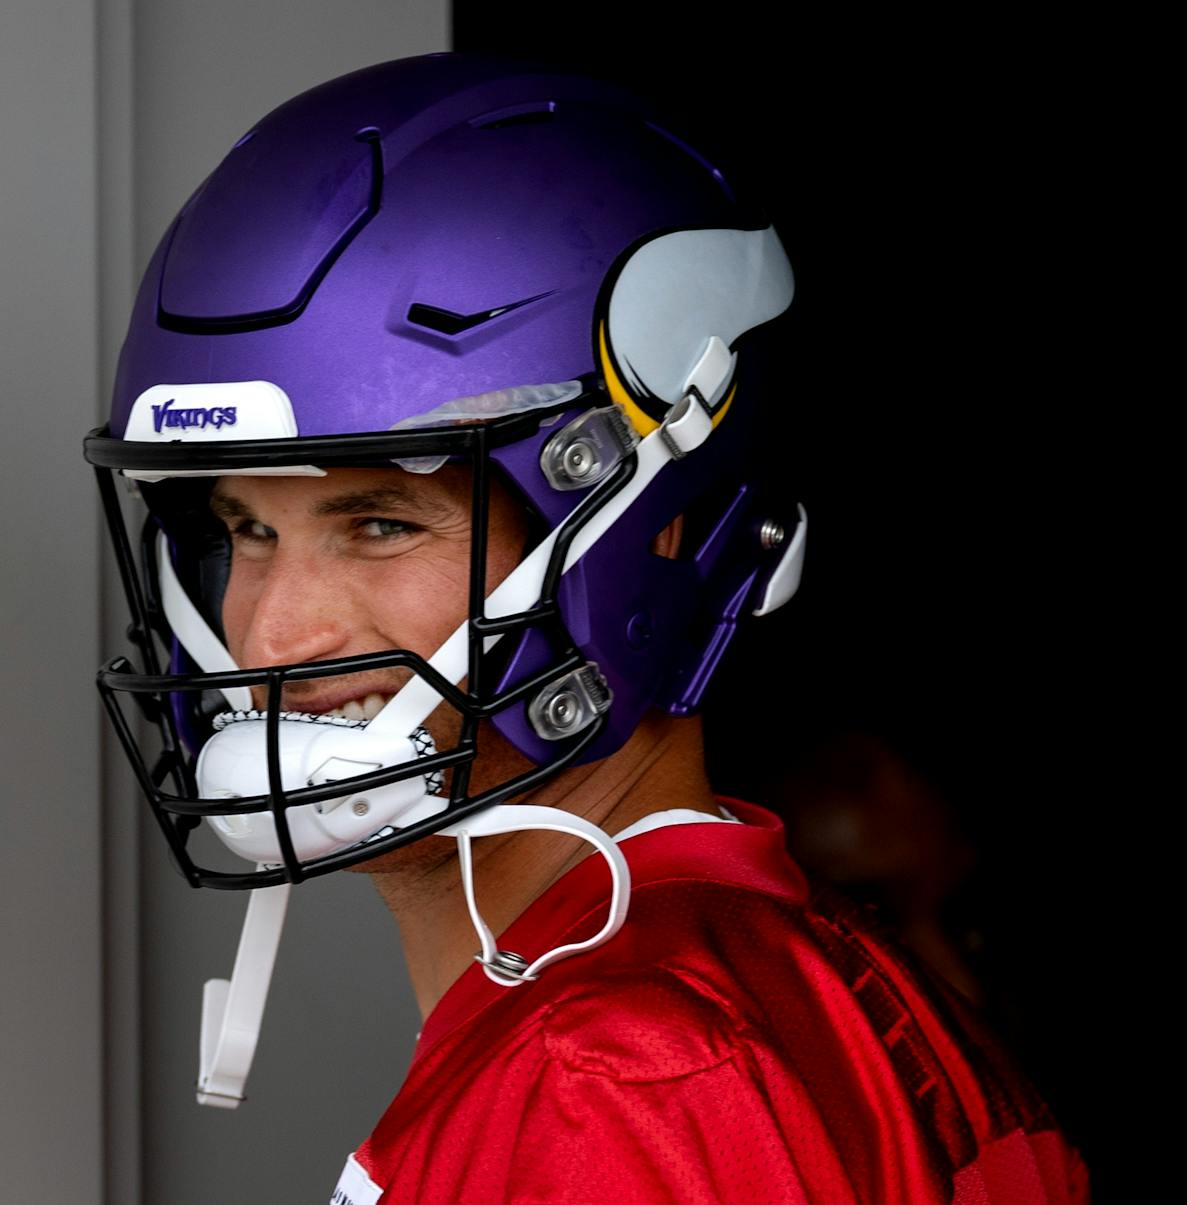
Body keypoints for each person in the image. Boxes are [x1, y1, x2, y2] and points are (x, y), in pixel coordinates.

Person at [86, 52, 1089, 1203]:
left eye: (377, 521)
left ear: (652, 531)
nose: (269, 631)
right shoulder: (812, 987)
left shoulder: (612, 1077)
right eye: (241, 528)